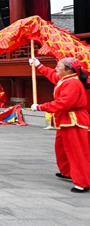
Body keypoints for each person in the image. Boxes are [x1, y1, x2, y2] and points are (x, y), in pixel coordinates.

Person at [31, 57, 90, 192]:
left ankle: (83, 182)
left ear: (68, 69)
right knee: (62, 149)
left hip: (74, 121)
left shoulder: (72, 83)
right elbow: (52, 75)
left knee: (77, 152)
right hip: (65, 120)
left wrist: (40, 107)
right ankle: (68, 172)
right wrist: (39, 65)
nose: (56, 68)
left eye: (58, 66)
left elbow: (64, 103)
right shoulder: (67, 79)